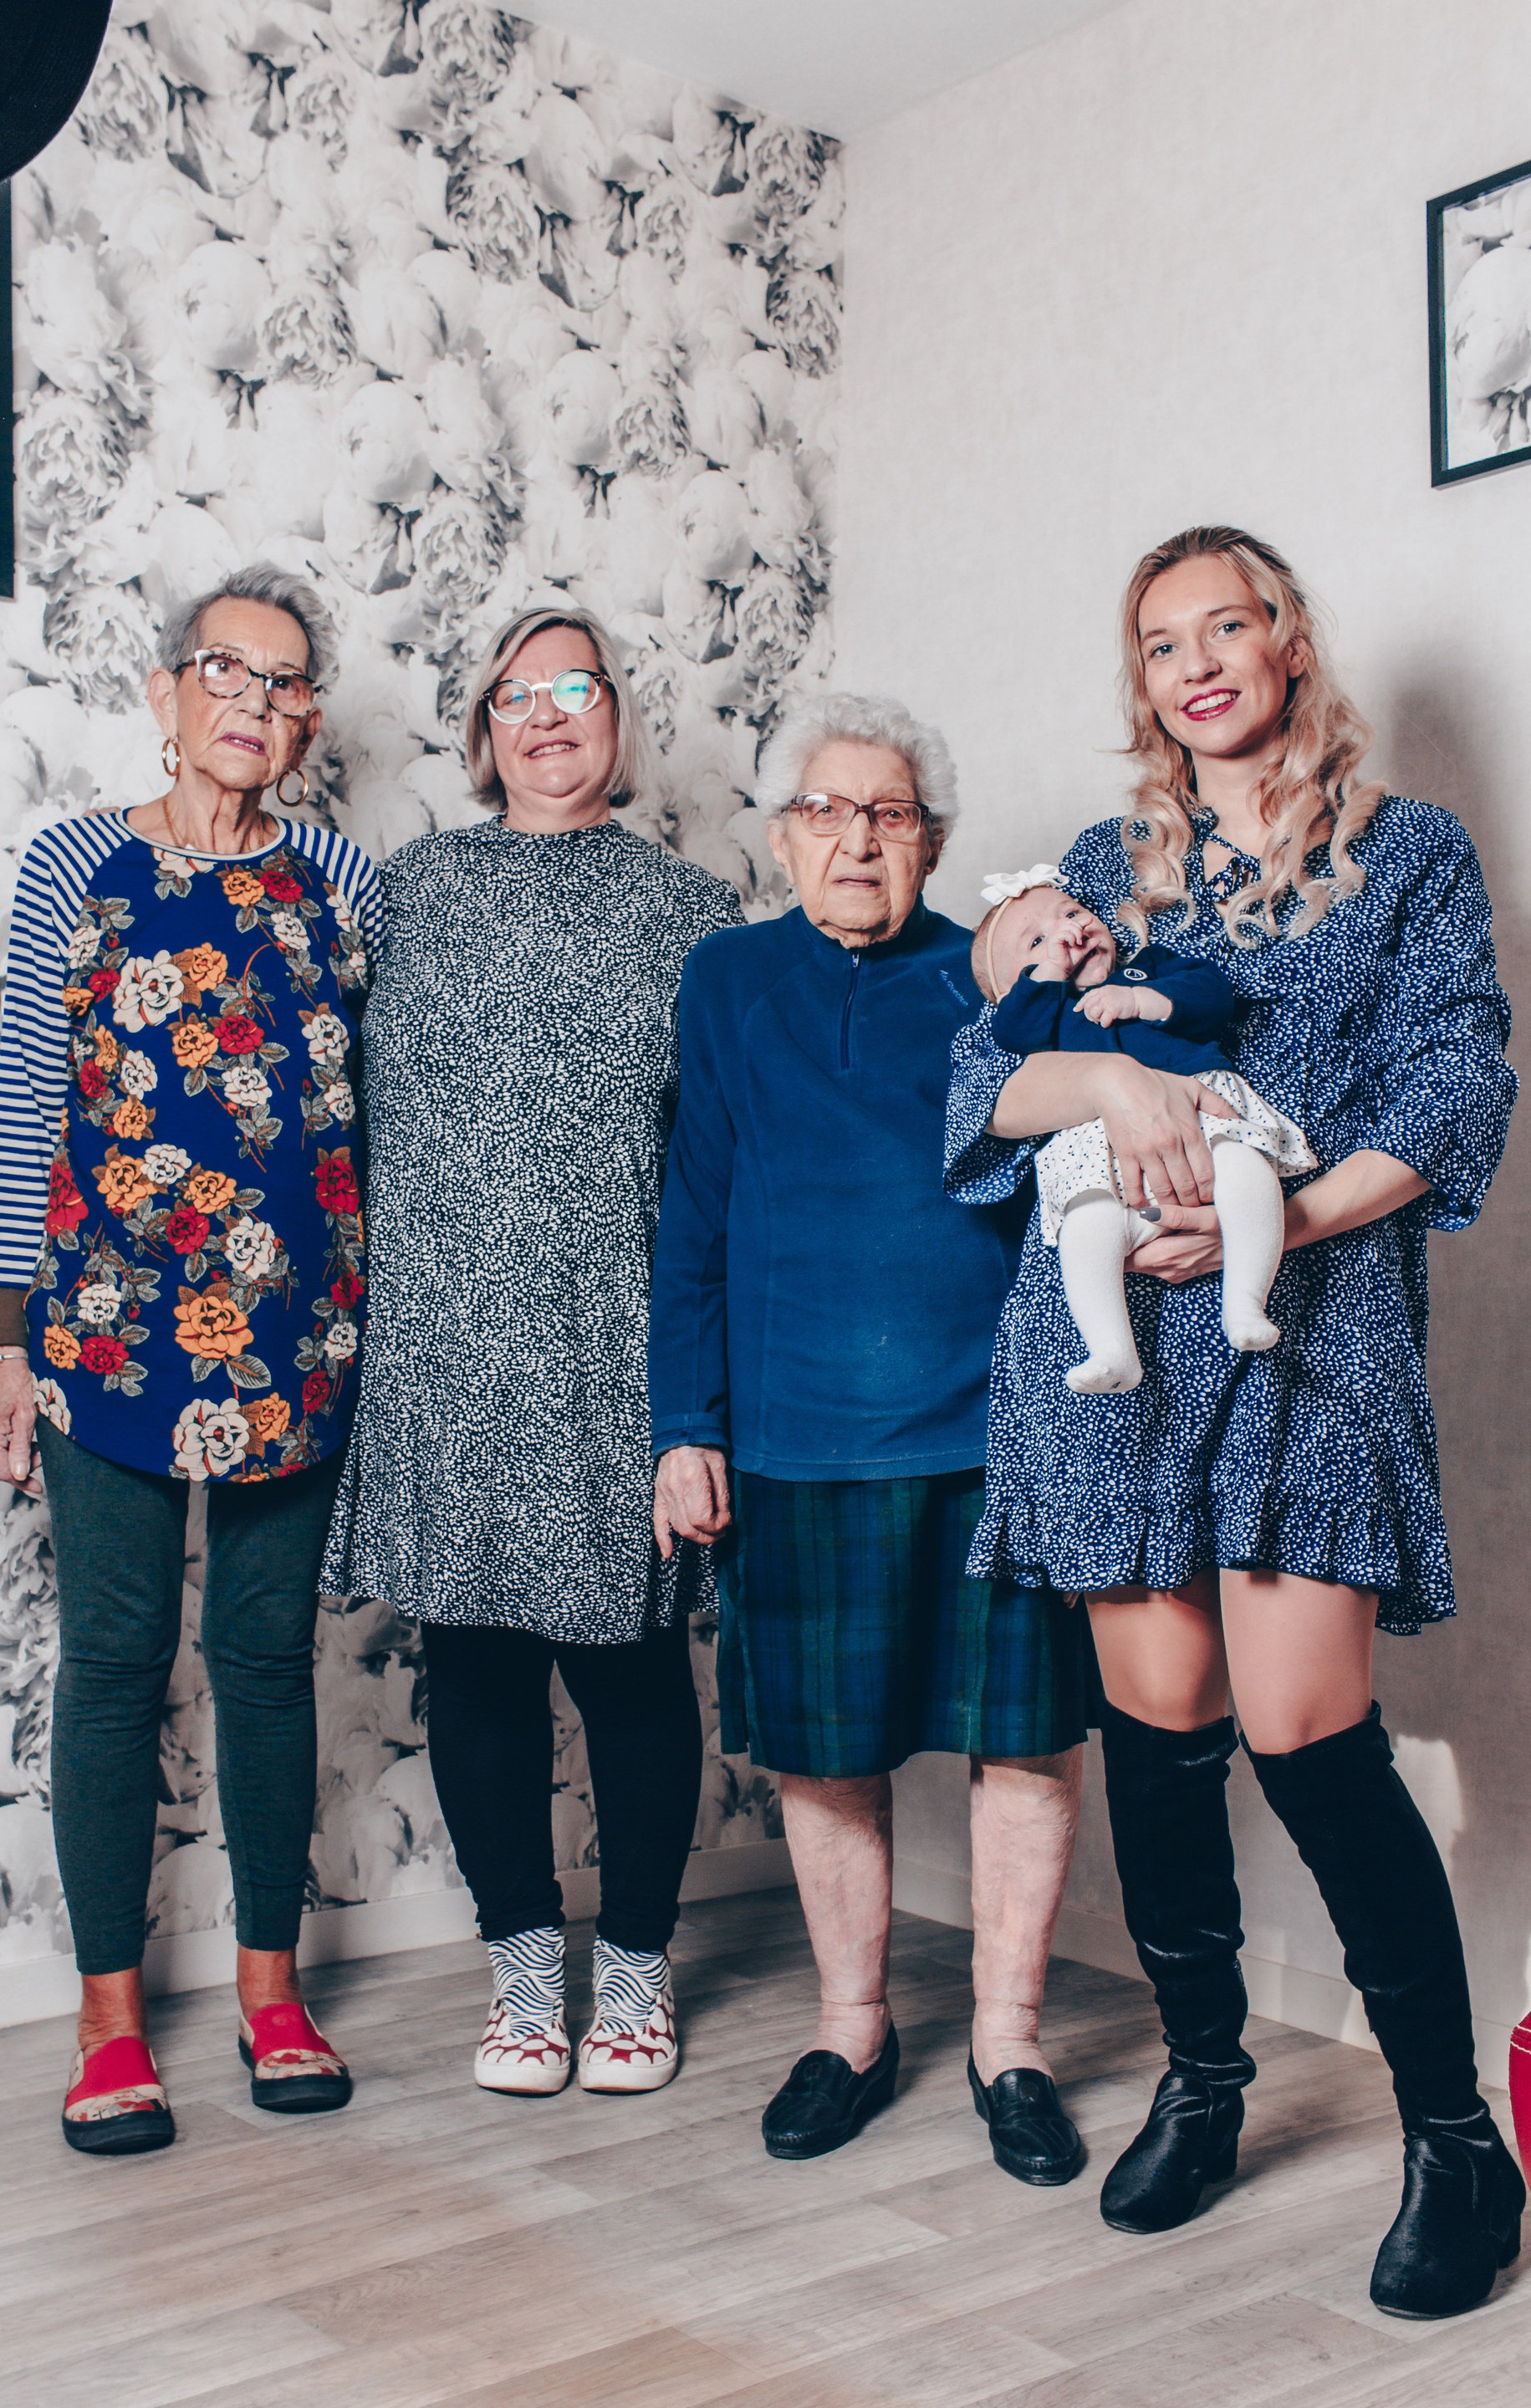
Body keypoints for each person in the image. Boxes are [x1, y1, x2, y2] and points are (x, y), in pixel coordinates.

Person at [947, 526, 1521, 2317]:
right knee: (1162, 1727)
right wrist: (1115, 1080)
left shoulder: (1410, 853)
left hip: (1309, 1335)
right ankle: (1205, 2085)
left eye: (1226, 627)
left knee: (1308, 1732)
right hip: (1109, 1355)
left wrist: (1295, 1215)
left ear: (1286, 644)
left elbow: (1458, 1080)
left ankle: (1457, 2145)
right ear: (1145, 679)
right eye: (1161, 640)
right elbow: (980, 1084)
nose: (1196, 664)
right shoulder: (1103, 869)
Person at [0, 564, 380, 2153]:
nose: (255, 705)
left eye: (286, 684)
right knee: (116, 1663)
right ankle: (107, 2021)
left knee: (267, 1662)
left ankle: (274, 1994)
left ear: (309, 723)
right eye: (226, 671)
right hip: (105, 1335)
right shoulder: (73, 863)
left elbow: (385, 1109)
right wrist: (5, 1345)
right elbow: (28, 1107)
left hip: (298, 1336)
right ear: (164, 693)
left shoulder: (343, 878)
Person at [649, 694, 1090, 2180]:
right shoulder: (727, 979)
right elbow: (694, 1210)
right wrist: (684, 1424)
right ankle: (852, 2029)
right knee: (823, 1750)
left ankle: (1010, 2044)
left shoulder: (993, 976)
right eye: (827, 812)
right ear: (781, 837)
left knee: (1022, 1739)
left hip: (997, 1430)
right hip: (794, 1431)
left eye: (889, 814)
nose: (857, 839)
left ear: (933, 843)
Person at [322, 605, 742, 2098]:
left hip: (616, 1345)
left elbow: (721, 1162)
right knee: (480, 1668)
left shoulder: (694, 912)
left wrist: (705, 1394)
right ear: (483, 729)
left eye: (576, 687)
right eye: (518, 694)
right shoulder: (412, 893)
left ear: (619, 719)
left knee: (631, 1669)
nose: (548, 714)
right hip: (442, 1342)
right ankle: (519, 1977)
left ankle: (632, 1972)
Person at [972, 868, 1314, 1390]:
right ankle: (1112, 1350)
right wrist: (1048, 974)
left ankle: (1246, 1303)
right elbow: (1011, 1030)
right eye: (1037, 942)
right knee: (1087, 1222)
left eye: (1072, 913)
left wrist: (1143, 1001)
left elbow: (1212, 993)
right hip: (1100, 1149)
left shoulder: (1146, 968)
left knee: (1248, 1172)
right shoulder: (1046, 1015)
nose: (1068, 933)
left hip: (1202, 1106)